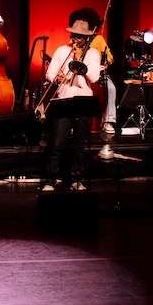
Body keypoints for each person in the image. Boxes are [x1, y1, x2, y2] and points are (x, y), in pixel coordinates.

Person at [42, 16, 102, 191]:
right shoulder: (62, 51)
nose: (76, 39)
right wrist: (57, 78)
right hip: (64, 99)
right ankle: (51, 179)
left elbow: (94, 77)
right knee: (57, 142)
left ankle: (77, 179)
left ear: (87, 38)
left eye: (80, 36)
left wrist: (79, 64)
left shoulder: (93, 54)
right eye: (74, 35)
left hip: (84, 99)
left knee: (80, 143)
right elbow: (50, 73)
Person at [72, 7, 117, 134]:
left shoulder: (98, 39)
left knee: (111, 88)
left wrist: (104, 64)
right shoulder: (74, 39)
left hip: (94, 72)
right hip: (78, 73)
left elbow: (110, 58)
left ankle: (108, 120)